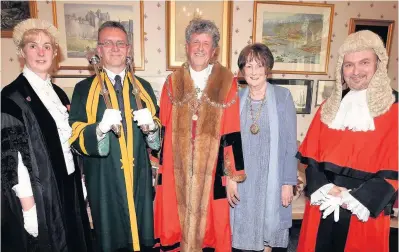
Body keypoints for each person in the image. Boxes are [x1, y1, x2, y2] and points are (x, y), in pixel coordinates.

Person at [296, 30, 398, 252]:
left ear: (378, 64)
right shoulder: (328, 108)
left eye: (364, 62)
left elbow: (394, 173)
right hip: (324, 203)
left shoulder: (395, 111)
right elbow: (310, 161)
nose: (355, 71)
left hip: (364, 212)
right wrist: (326, 188)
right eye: (348, 64)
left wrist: (353, 198)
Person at [153, 18, 246, 252]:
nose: (200, 48)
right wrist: (159, 171)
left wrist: (233, 177)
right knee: (175, 221)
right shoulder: (172, 83)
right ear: (187, 46)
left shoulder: (226, 82)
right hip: (177, 169)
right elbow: (162, 128)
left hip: (212, 170)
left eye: (206, 43)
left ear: (214, 50)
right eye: (196, 42)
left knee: (211, 229)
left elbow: (232, 131)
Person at [1, 18, 92, 251]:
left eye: (47, 46)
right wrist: (29, 207)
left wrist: (79, 180)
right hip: (41, 193)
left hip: (68, 184)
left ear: (55, 52)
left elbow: (69, 142)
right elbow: (13, 159)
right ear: (22, 51)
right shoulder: (12, 97)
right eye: (33, 46)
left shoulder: (60, 94)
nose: (41, 52)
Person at [69, 21, 160, 252]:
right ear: (99, 50)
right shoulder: (83, 89)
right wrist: (98, 130)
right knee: (109, 238)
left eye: (120, 43)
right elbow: (75, 134)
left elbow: (157, 137)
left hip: (138, 176)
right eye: (108, 43)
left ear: (128, 49)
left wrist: (152, 129)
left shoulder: (144, 88)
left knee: (141, 233)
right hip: (103, 179)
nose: (115, 48)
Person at [230, 43, 297, 252]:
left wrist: (287, 183)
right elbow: (229, 143)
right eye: (248, 66)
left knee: (268, 237)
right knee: (242, 236)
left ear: (268, 68)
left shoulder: (282, 96)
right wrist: (230, 178)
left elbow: (289, 143)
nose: (254, 71)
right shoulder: (235, 99)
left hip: (272, 179)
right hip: (243, 182)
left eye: (259, 65)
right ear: (242, 71)